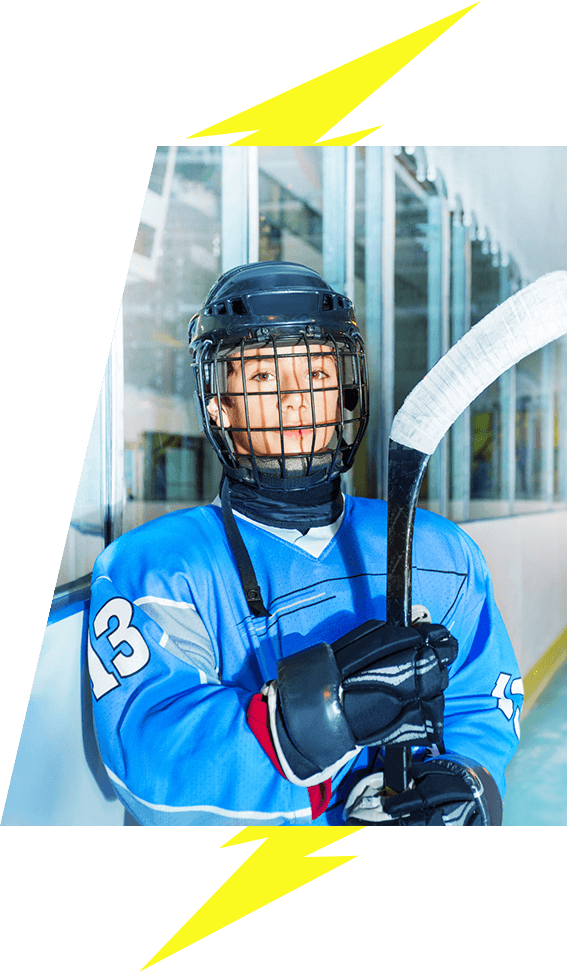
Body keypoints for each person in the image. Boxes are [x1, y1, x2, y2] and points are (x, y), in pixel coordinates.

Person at [88, 261, 523, 826]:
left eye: (316, 376)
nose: (295, 400)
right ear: (219, 403)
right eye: (264, 378)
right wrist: (318, 719)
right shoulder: (157, 570)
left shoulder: (439, 554)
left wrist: (463, 783)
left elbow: (480, 705)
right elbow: (154, 766)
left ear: (343, 390)